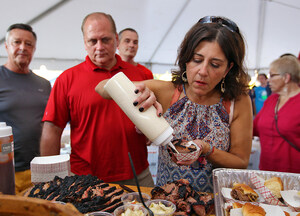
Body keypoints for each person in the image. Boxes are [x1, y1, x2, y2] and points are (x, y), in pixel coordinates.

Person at [97, 16, 253, 192]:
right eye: (197, 60)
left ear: (228, 69)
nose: (203, 72)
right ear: (186, 59)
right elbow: (102, 88)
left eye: (215, 65)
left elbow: (241, 162)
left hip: (214, 203)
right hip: (165, 203)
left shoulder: (237, 101)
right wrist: (140, 90)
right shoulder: (167, 91)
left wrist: (206, 149)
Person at [40, 12, 156, 187]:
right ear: (85, 43)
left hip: (138, 175)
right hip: (85, 179)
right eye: (92, 41)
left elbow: (155, 116)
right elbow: (52, 129)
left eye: (106, 40)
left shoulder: (141, 75)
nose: (99, 47)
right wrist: (51, 181)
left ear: (116, 39)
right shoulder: (67, 79)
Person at [0, 23, 51, 193]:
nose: (23, 48)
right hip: (5, 170)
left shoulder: (44, 84)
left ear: (34, 49)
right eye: (17, 42)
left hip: (38, 171)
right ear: (7, 46)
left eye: (28, 44)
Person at [253, 56, 300, 173]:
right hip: (266, 175)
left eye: (272, 75)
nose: (268, 80)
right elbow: (253, 128)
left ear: (286, 77)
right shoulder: (271, 100)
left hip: (294, 178)